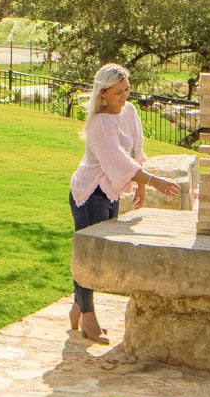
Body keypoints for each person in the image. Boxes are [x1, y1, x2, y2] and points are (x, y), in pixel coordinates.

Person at [68, 63, 181, 343]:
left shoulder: (129, 111)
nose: (124, 96)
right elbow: (117, 161)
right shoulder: (99, 124)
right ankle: (88, 317)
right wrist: (154, 182)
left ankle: (78, 306)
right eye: (118, 92)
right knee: (90, 256)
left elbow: (135, 151)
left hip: (111, 192)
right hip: (90, 193)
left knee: (101, 256)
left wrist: (140, 185)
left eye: (126, 90)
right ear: (103, 93)